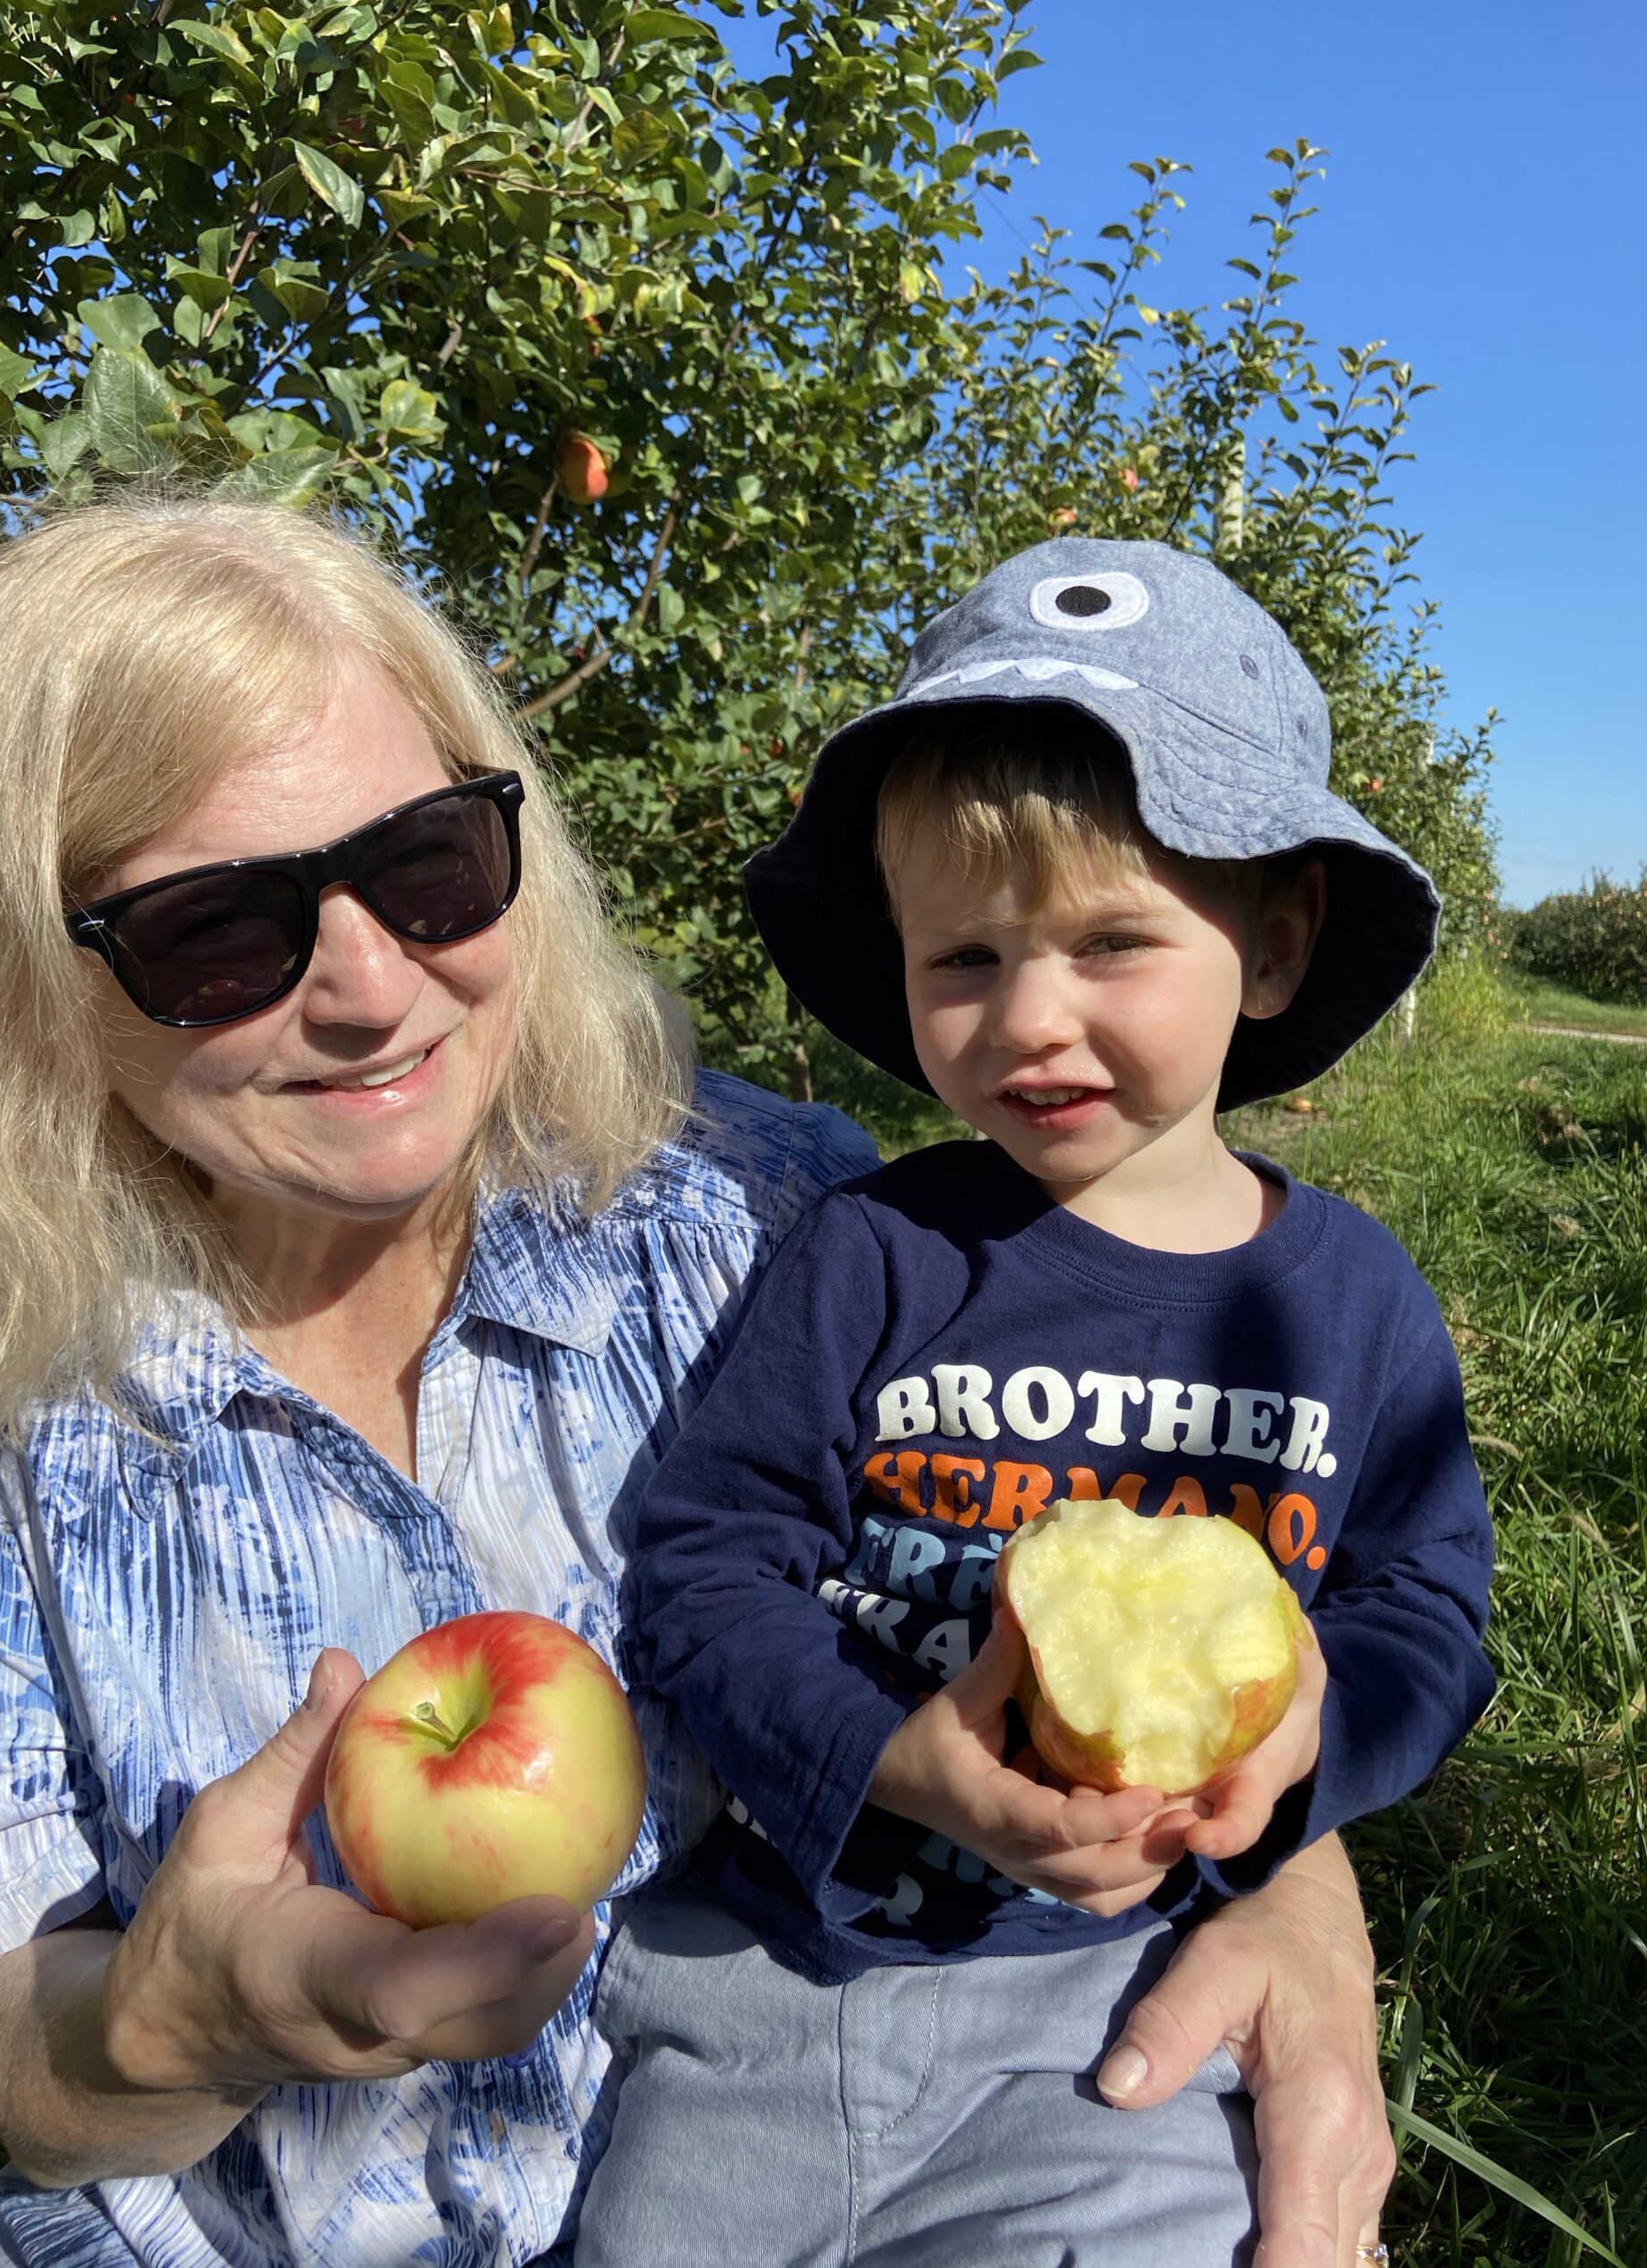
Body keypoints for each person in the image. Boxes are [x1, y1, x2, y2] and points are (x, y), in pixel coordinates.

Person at [0, 499, 1395, 2268]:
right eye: (212, 932)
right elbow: (5, 2031)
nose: (369, 985)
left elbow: (1147, 1547)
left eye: (424, 864)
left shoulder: (766, 1222)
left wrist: (1293, 1871)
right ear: (40, 981)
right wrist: (181, 2020)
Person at [577, 539, 1495, 2268]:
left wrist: (1310, 1740)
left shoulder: (1346, 1302)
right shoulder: (874, 1251)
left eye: (1110, 940)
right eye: (967, 956)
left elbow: (1428, 1602)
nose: (1034, 1014)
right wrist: (888, 1753)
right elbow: (706, 1559)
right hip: (771, 1977)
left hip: (1114, 2010)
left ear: (1277, 942)